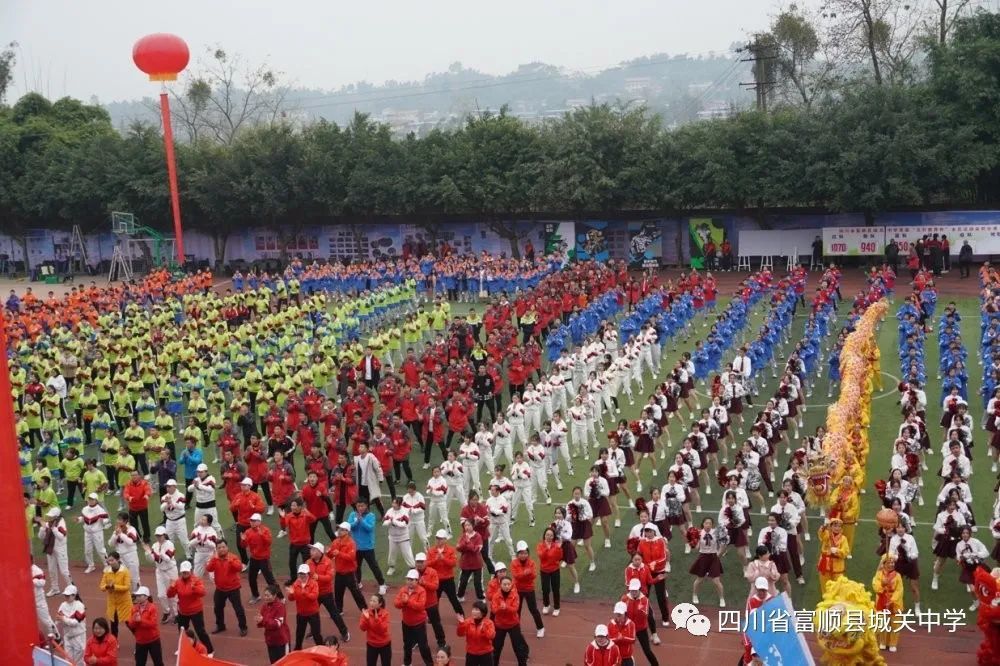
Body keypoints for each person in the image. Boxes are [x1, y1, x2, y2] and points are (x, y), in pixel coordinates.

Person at [167, 561, 214, 657]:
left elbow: (203, 592)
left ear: (190, 571)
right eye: (183, 572)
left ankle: (210, 650)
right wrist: (171, 587)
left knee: (200, 631)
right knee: (182, 632)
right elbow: (169, 595)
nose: (185, 574)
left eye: (186, 572)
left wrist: (194, 588)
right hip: (183, 611)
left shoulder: (196, 580)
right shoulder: (177, 582)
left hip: (196, 611)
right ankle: (182, 648)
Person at [307, 542, 351, 642]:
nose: (311, 551)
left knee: (334, 614)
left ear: (319, 552)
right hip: (314, 593)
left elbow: (329, 577)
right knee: (312, 614)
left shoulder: (328, 562)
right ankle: (313, 631)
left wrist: (318, 577)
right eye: (311, 549)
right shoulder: (308, 562)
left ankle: (344, 632)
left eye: (314, 550)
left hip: (326, 593)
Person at [206, 541, 248, 636]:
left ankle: (243, 627)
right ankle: (220, 625)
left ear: (227, 548)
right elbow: (208, 569)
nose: (221, 549)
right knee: (217, 608)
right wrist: (213, 559)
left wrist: (230, 560)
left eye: (223, 547)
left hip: (233, 588)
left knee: (238, 609)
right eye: (219, 548)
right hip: (220, 589)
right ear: (217, 549)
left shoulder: (233, 557)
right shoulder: (215, 559)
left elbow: (239, 568)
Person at [395, 568, 434, 666]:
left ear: (417, 581)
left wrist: (407, 602)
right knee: (407, 645)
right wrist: (403, 603)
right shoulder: (403, 590)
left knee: (423, 646)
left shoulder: (421, 591)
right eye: (408, 579)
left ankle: (429, 664)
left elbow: (420, 606)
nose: (410, 582)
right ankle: (407, 663)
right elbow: (396, 603)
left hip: (419, 624)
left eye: (412, 580)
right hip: (406, 623)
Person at [349, 499, 387, 595]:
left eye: (362, 506)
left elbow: (369, 528)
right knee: (356, 567)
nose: (360, 508)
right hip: (356, 547)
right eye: (358, 506)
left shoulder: (371, 516)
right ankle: (358, 582)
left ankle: (382, 584)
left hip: (368, 547)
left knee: (373, 566)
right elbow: (350, 526)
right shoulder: (352, 515)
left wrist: (361, 520)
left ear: (366, 506)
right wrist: (356, 521)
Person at [490, 575, 530, 666]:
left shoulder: (515, 595)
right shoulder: (496, 596)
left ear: (511, 585)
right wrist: (501, 607)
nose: (507, 586)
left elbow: (515, 609)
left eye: (508, 584)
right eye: (504, 584)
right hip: (500, 625)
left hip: (513, 624)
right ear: (500, 585)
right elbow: (494, 610)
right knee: (496, 648)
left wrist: (506, 607)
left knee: (518, 647)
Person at [329, 521, 367, 613]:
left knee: (356, 593)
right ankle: (339, 610)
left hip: (349, 573)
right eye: (339, 529)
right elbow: (330, 555)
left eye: (342, 530)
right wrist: (329, 553)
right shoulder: (335, 542)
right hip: (339, 572)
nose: (339, 531)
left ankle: (364, 609)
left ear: (347, 531)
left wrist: (339, 553)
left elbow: (351, 557)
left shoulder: (351, 543)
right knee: (338, 592)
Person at [511, 540, 544, 637]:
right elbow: (516, 576)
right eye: (521, 553)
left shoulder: (531, 563)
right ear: (517, 554)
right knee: (517, 610)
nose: (523, 555)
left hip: (529, 589)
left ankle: (540, 628)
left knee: (533, 609)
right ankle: (517, 628)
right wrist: (525, 573)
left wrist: (524, 574)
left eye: (525, 553)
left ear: (528, 553)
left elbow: (533, 575)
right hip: (517, 590)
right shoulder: (514, 563)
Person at [243, 512, 277, 603]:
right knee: (251, 578)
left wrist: (261, 534)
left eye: (254, 521)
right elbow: (244, 545)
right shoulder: (248, 531)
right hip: (254, 558)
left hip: (264, 559)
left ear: (259, 522)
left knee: (270, 579)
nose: (251, 522)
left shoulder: (265, 530)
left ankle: (279, 597)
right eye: (251, 521)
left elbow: (269, 542)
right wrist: (243, 540)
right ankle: (256, 595)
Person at [126, 586, 163, 666]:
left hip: (153, 640)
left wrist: (140, 620)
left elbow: (153, 624)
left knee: (158, 663)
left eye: (139, 596)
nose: (137, 598)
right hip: (140, 641)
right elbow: (130, 625)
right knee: (139, 663)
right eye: (137, 596)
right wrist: (135, 621)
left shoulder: (152, 608)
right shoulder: (134, 608)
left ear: (146, 597)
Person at [100, 552, 132, 636]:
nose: (110, 562)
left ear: (118, 560)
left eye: (112, 560)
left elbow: (127, 587)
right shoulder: (107, 572)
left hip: (124, 603)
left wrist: (115, 587)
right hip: (112, 603)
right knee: (113, 624)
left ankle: (140, 641)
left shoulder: (125, 571)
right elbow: (101, 586)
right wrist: (107, 586)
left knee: (130, 623)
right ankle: (114, 642)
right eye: (109, 561)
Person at [457, 599, 496, 666]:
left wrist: (484, 629)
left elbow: (491, 636)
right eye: (473, 609)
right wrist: (461, 624)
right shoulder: (468, 622)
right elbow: (460, 634)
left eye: (477, 610)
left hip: (485, 654)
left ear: (483, 612)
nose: (474, 612)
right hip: (471, 653)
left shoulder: (489, 623)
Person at [57, 585, 87, 664]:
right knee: (68, 660)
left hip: (79, 637)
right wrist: (60, 620)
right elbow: (58, 620)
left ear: (74, 595)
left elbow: (75, 623)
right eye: (65, 595)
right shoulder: (63, 605)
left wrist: (64, 619)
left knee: (79, 661)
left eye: (68, 595)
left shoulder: (80, 606)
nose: (66, 597)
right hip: (67, 636)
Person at [360, 593, 392, 666]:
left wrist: (377, 620)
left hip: (385, 644)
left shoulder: (385, 614)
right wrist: (366, 619)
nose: (371, 603)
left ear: (380, 604)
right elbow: (362, 628)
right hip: (372, 644)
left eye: (374, 601)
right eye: (371, 600)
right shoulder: (366, 613)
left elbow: (382, 630)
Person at [608, 602, 639, 666]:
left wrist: (622, 638)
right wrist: (617, 639)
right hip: (614, 657)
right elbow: (608, 641)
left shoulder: (631, 624)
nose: (618, 616)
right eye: (617, 614)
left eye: (620, 614)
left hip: (627, 658)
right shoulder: (610, 624)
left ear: (625, 613)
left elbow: (633, 639)